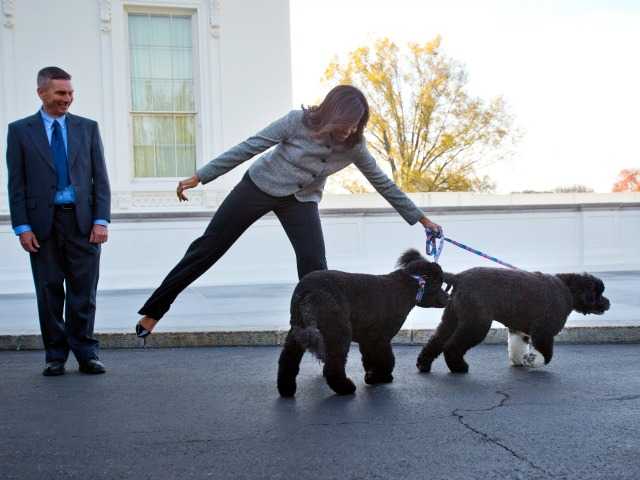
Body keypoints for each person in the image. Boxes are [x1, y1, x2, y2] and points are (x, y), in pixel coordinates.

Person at [136, 85, 441, 337]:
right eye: (345, 124)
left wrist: (421, 219)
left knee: (315, 267)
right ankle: (153, 312)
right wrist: (201, 176)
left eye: (355, 125)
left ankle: (318, 332)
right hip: (259, 186)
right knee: (207, 248)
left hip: (301, 200)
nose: (349, 131)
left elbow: (383, 183)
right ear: (331, 114)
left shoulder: (354, 147)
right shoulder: (297, 121)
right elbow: (249, 146)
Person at [6, 66, 111, 375]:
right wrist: (22, 227)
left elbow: (100, 180)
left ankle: (86, 352)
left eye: (70, 93)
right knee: (49, 290)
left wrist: (101, 220)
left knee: (84, 291)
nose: (68, 99)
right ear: (42, 93)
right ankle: (55, 355)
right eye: (61, 93)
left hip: (82, 222)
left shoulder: (87, 128)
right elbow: (17, 184)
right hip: (42, 226)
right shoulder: (20, 131)